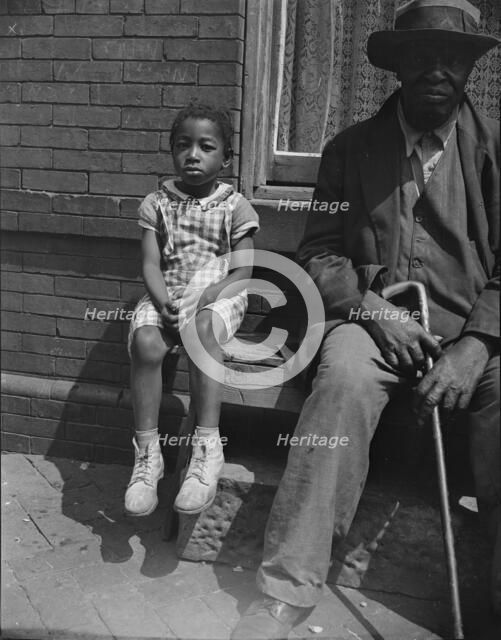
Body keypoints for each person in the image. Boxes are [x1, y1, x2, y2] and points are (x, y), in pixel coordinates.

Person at [231, 1, 500, 638]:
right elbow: (319, 252)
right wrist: (373, 309)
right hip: (372, 326)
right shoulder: (349, 150)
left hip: (475, 336)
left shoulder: (496, 151)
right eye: (422, 56)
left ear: (468, 70)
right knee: (342, 381)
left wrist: (478, 346)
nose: (437, 70)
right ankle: (285, 590)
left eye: (452, 58)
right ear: (397, 67)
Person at [124, 104, 259, 518]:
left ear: (226, 158)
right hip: (171, 293)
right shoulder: (157, 203)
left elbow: (244, 270)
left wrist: (209, 296)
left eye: (206, 146)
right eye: (183, 146)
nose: (193, 155)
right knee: (146, 342)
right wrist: (162, 298)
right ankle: (148, 456)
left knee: (202, 331)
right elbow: (150, 263)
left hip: (220, 293)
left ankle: (206, 449)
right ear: (171, 151)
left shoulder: (234, 205)